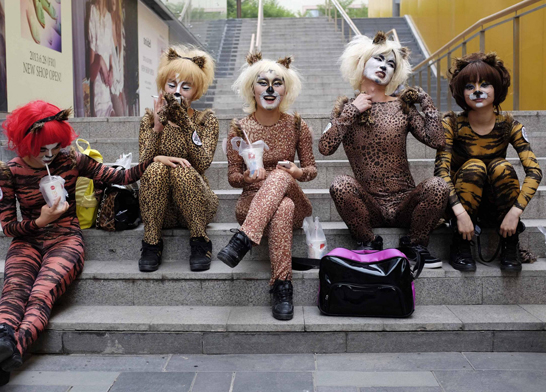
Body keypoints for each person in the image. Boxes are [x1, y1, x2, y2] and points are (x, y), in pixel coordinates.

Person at [0, 100, 152, 387]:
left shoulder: (70, 159)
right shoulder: (9, 172)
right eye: (41, 149)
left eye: (55, 146)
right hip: (27, 241)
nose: (49, 155)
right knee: (14, 292)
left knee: (41, 294)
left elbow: (118, 176)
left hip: (66, 238)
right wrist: (39, 221)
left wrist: (154, 160)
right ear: (24, 143)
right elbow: (9, 226)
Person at [319, 31, 448, 268]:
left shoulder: (402, 107)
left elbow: (437, 140)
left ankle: (415, 243)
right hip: (369, 205)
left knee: (438, 186)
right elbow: (325, 147)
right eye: (378, 59)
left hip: (404, 202)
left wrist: (425, 101)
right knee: (340, 184)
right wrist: (351, 112)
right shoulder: (345, 109)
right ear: (361, 62)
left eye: (390, 64)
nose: (384, 66)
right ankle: (366, 242)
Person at [217, 52, 317, 321]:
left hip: (297, 202)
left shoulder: (298, 125)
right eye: (263, 82)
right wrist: (247, 179)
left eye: (277, 82)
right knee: (281, 207)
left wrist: (297, 171)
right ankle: (282, 287)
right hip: (250, 204)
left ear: (286, 89)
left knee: (282, 176)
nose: (270, 89)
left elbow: (311, 170)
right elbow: (232, 177)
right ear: (252, 87)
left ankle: (243, 239)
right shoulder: (240, 128)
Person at [435, 52, 542, 272]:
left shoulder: (509, 124)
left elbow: (534, 171)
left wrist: (515, 213)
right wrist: (461, 214)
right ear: (461, 92)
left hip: (496, 204)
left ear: (496, 88)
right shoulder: (452, 123)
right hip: (459, 204)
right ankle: (461, 243)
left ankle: (510, 243)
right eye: (469, 86)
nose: (477, 91)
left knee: (501, 166)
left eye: (485, 84)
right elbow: (441, 171)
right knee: (475, 166)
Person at [138, 46, 218, 272]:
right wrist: (157, 127)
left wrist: (186, 123)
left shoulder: (205, 120)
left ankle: (200, 240)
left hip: (197, 205)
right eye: (171, 85)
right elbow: (142, 164)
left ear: (196, 91)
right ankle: (151, 243)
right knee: (154, 168)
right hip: (161, 210)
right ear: (163, 86)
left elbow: (202, 163)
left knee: (182, 170)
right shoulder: (149, 118)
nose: (177, 92)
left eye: (186, 87)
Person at [88, 0, 115, 116]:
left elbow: (109, 52)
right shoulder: (93, 10)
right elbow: (91, 74)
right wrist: (100, 61)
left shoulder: (109, 17)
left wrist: (112, 70)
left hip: (107, 93)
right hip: (98, 95)